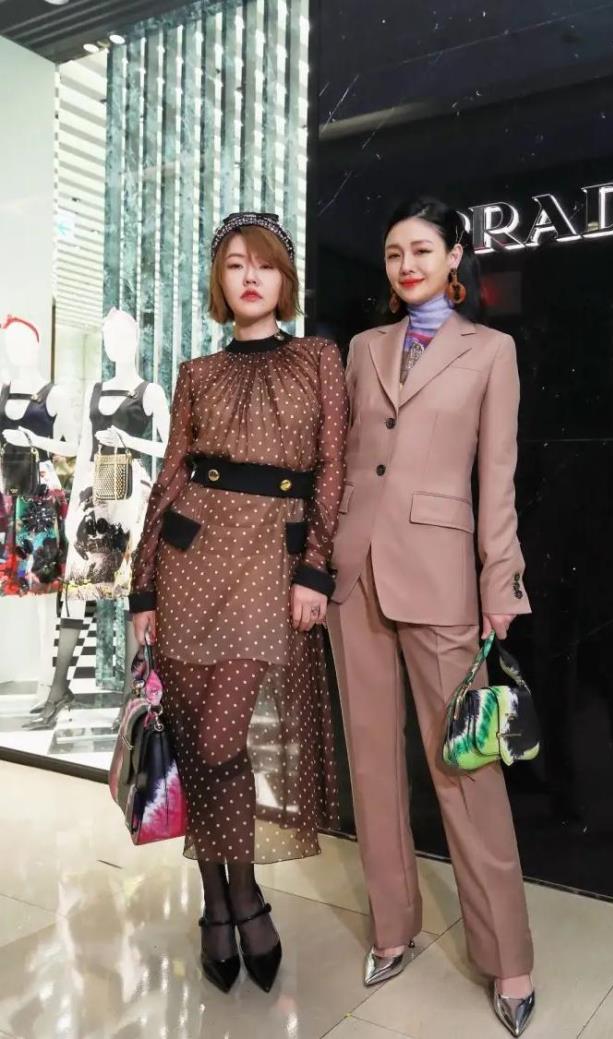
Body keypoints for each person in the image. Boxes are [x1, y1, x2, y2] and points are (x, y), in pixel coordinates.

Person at [326, 198, 535, 1036]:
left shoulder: (491, 351)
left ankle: (509, 956)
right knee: (372, 762)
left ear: (455, 256)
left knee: (466, 769)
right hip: (355, 574)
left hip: (444, 579)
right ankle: (392, 927)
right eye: (392, 252)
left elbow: (498, 478)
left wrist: (500, 582)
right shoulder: (363, 348)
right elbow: (347, 461)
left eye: (420, 249)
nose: (405, 264)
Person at [129, 212, 348, 995]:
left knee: (219, 739)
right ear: (219, 283)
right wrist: (143, 583)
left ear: (285, 279)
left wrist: (314, 568)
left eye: (264, 264)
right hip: (188, 560)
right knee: (196, 739)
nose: (250, 276)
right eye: (233, 265)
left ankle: (242, 894)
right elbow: (170, 477)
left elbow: (333, 468)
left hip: (268, 563)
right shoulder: (196, 372)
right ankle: (219, 901)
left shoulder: (318, 358)